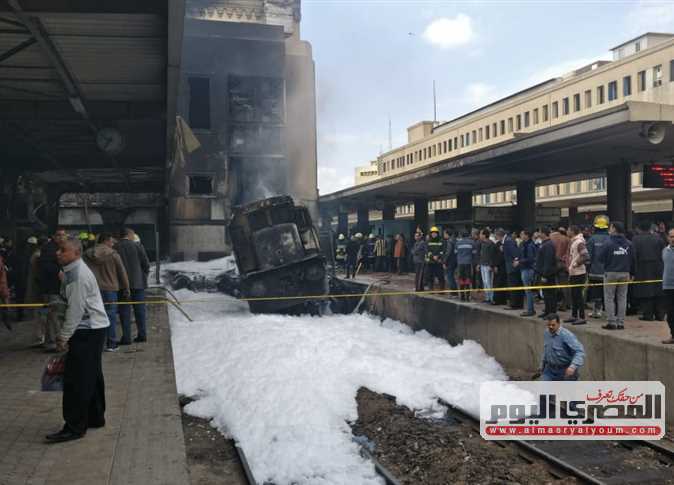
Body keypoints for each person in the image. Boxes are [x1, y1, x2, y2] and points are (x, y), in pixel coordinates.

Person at [45, 237, 109, 443]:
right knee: (91, 375)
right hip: (94, 329)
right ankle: (94, 417)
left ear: (76, 253)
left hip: (86, 330)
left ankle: (74, 427)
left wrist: (63, 336)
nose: (58, 253)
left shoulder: (77, 275)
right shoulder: (72, 271)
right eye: (58, 249)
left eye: (63, 250)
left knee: (76, 380)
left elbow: (75, 310)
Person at [84, 233, 130, 352]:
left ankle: (96, 344)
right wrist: (126, 288)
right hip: (110, 290)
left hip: (92, 290)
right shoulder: (114, 255)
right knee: (110, 316)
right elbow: (122, 272)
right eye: (112, 242)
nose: (113, 244)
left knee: (94, 316)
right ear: (107, 240)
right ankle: (111, 343)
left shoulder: (87, 254)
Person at [115, 228, 150, 344]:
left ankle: (126, 338)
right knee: (140, 310)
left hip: (121, 285)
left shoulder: (115, 247)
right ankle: (142, 335)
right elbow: (146, 264)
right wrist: (143, 275)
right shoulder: (137, 246)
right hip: (138, 283)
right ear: (129, 235)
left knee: (124, 312)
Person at [600, 222, 633, 330]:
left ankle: (611, 322)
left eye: (610, 227)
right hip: (625, 272)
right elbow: (633, 259)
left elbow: (600, 258)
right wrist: (633, 273)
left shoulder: (608, 242)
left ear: (614, 229)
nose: (609, 229)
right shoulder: (629, 243)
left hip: (610, 272)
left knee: (609, 297)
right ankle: (621, 322)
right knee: (622, 297)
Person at [39, 228, 68, 351]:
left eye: (63, 235)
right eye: (58, 235)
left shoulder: (62, 247)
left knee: (54, 316)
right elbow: (45, 265)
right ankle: (54, 343)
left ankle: (52, 341)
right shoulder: (49, 248)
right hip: (52, 288)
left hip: (59, 288)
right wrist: (58, 271)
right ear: (54, 236)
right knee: (54, 315)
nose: (61, 237)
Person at [632, 222, 666, 321]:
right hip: (658, 267)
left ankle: (648, 315)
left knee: (645, 292)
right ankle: (660, 315)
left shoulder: (636, 239)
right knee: (659, 291)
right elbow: (663, 252)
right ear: (650, 228)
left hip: (642, 268)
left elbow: (634, 255)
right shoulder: (658, 238)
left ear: (639, 229)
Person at [538, 313, 585, 381]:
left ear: (558, 324)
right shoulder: (547, 333)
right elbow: (546, 350)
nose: (550, 327)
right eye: (548, 325)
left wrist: (572, 367)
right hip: (549, 370)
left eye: (553, 325)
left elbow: (580, 351)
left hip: (564, 371)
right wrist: (542, 364)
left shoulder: (566, 335)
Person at [586, 215, 610, 318]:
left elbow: (589, 257)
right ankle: (609, 312)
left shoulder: (592, 239)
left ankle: (597, 310)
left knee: (596, 292)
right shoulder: (610, 239)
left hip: (594, 271)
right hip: (608, 272)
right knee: (608, 293)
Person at [566, 225, 588, 325]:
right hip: (574, 272)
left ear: (572, 231)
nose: (567, 231)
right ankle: (574, 315)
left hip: (579, 273)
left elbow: (586, 256)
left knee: (578, 295)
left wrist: (575, 264)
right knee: (574, 295)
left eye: (568, 230)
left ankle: (582, 317)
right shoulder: (574, 241)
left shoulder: (579, 242)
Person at [535, 228, 558, 318]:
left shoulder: (548, 245)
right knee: (545, 293)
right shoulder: (544, 244)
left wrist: (545, 275)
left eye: (540, 232)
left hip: (548, 274)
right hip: (543, 272)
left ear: (544, 233)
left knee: (550, 294)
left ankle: (551, 312)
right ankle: (547, 310)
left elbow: (548, 261)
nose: (538, 234)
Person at [550, 227, 571, 312]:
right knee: (564, 285)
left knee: (552, 285)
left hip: (554, 263)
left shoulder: (552, 236)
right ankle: (566, 304)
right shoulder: (568, 239)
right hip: (563, 264)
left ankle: (553, 304)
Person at [518, 229, 537, 316]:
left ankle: (530, 310)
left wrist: (520, 261)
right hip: (524, 268)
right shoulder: (523, 244)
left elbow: (530, 259)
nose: (520, 235)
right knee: (528, 290)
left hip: (528, 269)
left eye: (522, 234)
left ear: (526, 235)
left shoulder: (529, 245)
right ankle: (530, 308)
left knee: (528, 290)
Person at [503, 230, 523, 309]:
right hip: (514, 267)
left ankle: (514, 304)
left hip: (512, 267)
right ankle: (518, 304)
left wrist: (516, 260)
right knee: (517, 285)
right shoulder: (511, 241)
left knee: (513, 286)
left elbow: (514, 253)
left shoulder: (508, 241)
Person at [661, 229, 674, 344]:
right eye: (671, 236)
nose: (673, 238)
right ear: (668, 238)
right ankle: (673, 335)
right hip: (667, 286)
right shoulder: (665, 251)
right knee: (670, 314)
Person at [455, 231, 475, 301]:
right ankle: (468, 295)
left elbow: (455, 252)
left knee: (461, 279)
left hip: (460, 263)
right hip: (468, 263)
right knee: (468, 278)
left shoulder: (457, 243)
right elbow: (474, 253)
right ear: (468, 235)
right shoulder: (472, 242)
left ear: (461, 236)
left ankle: (462, 296)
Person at [479, 229, 498, 304]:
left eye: (481, 234)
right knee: (485, 282)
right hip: (483, 264)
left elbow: (492, 255)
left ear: (484, 235)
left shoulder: (490, 243)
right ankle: (487, 297)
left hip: (488, 265)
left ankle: (491, 298)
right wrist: (479, 264)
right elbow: (482, 254)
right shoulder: (483, 243)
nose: (480, 235)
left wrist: (491, 265)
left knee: (489, 282)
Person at [443, 229, 458, 295]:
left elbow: (448, 253)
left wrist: (444, 262)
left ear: (447, 234)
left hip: (450, 261)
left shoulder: (449, 241)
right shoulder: (455, 240)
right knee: (451, 275)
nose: (444, 235)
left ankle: (454, 291)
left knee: (449, 276)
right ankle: (454, 291)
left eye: (444, 234)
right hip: (455, 260)